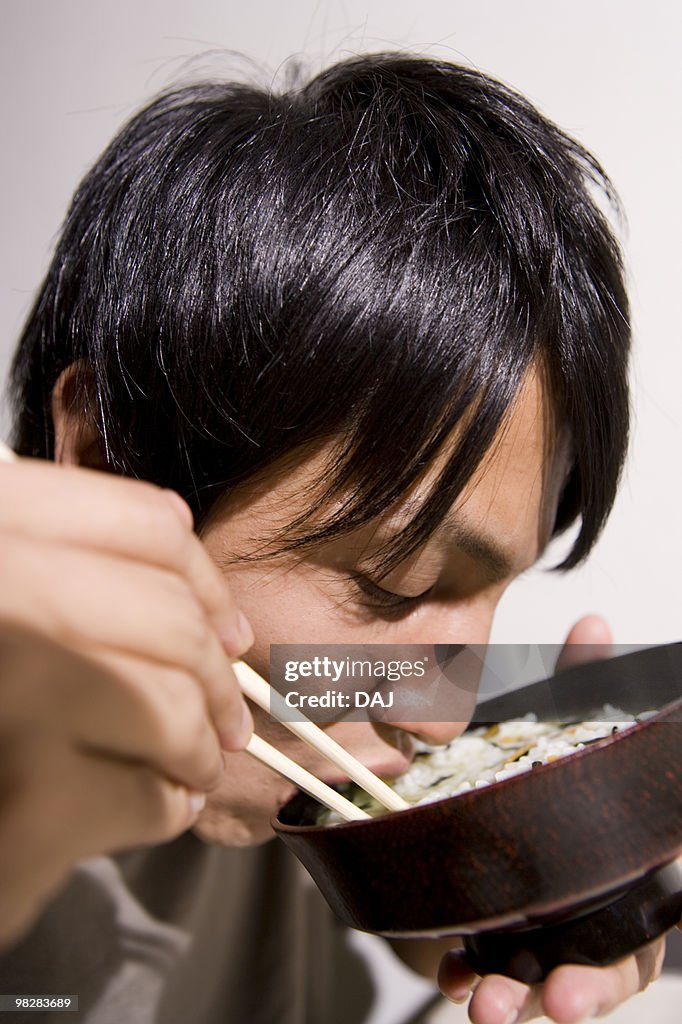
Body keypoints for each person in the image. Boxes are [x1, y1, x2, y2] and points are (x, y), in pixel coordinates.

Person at [0, 52, 667, 1023]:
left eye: (493, 598)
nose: (440, 713)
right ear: (108, 455)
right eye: (398, 582)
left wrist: (541, 882)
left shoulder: (284, 808)